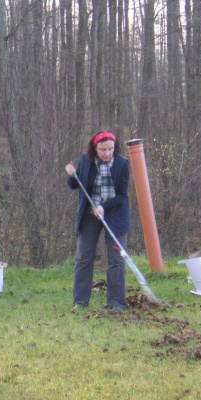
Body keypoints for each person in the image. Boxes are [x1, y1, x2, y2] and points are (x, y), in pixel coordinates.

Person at [65, 131, 131, 312]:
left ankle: (116, 303)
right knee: (83, 258)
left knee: (116, 260)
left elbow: (122, 196)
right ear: (95, 149)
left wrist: (103, 206)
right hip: (89, 214)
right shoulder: (85, 161)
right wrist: (71, 174)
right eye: (102, 150)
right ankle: (80, 301)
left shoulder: (122, 164)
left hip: (115, 215)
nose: (107, 153)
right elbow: (74, 185)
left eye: (110, 149)